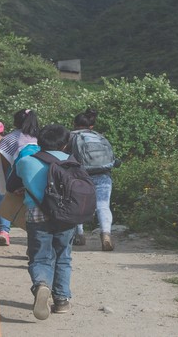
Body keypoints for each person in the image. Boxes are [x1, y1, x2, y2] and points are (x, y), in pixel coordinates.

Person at [9, 124, 77, 320]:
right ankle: (62, 300)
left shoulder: (26, 161)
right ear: (65, 144)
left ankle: (41, 284)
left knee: (39, 257)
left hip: (37, 215)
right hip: (66, 216)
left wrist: (28, 187)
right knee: (63, 256)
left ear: (39, 142)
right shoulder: (72, 161)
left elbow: (12, 185)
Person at [69, 108, 118, 251]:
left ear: (74, 123)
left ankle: (79, 235)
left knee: (77, 204)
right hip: (103, 175)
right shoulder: (100, 137)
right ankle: (106, 234)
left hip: (79, 175)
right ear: (92, 126)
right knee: (103, 206)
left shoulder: (70, 136)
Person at [0, 109, 39, 246]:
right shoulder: (40, 137)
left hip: (16, 174)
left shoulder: (9, 138)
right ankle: (32, 238)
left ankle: (4, 232)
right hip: (37, 176)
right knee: (34, 205)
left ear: (16, 121)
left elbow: (5, 163)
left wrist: (8, 182)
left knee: (5, 199)